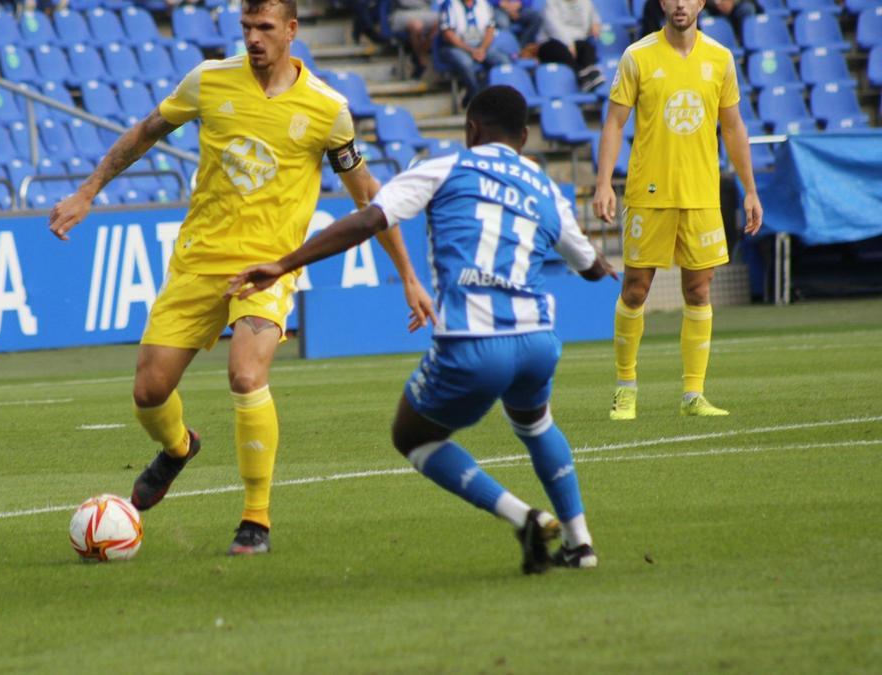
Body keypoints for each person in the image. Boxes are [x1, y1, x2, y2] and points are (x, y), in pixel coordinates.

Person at [47, 0, 434, 556]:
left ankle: (256, 519)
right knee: (149, 393)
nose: (254, 38)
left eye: (265, 28)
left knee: (246, 376)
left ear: (292, 31)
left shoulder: (327, 109)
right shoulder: (208, 80)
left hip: (268, 267)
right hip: (199, 260)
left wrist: (408, 276)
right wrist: (88, 191)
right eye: (247, 27)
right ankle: (179, 449)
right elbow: (147, 130)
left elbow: (369, 199)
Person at [228, 85, 618, 573]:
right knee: (535, 423)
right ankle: (581, 543)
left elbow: (368, 219)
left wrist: (285, 263)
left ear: (471, 128)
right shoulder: (543, 185)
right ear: (522, 136)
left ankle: (524, 517)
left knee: (413, 437)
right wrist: (609, 268)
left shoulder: (448, 166)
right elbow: (589, 264)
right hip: (537, 339)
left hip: (475, 340)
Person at [592, 0, 762, 420]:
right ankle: (626, 388)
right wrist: (602, 184)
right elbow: (614, 122)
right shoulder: (638, 56)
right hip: (649, 193)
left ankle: (693, 394)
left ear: (701, 2)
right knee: (635, 290)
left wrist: (750, 189)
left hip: (701, 194)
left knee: (699, 291)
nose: (681, 4)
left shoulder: (720, 58)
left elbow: (734, 126)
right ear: (663, 3)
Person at [437, 0, 511, 106]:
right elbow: (448, 34)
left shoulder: (484, 3)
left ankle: (494, 94)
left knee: (503, 61)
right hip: (457, 46)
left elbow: (490, 29)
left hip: (481, 44)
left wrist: (482, 49)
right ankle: (475, 96)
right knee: (466, 63)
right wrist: (471, 50)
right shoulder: (449, 4)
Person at [538, 0, 605, 92]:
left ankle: (590, 73)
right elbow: (553, 27)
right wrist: (568, 43)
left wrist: (595, 24)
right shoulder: (551, 3)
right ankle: (582, 76)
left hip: (577, 40)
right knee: (561, 51)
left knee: (587, 48)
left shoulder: (586, 2)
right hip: (552, 42)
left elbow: (594, 18)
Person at [388, 0, 439, 78]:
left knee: (441, 22)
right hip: (403, 13)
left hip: (425, 12)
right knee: (417, 26)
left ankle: (423, 52)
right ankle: (420, 59)